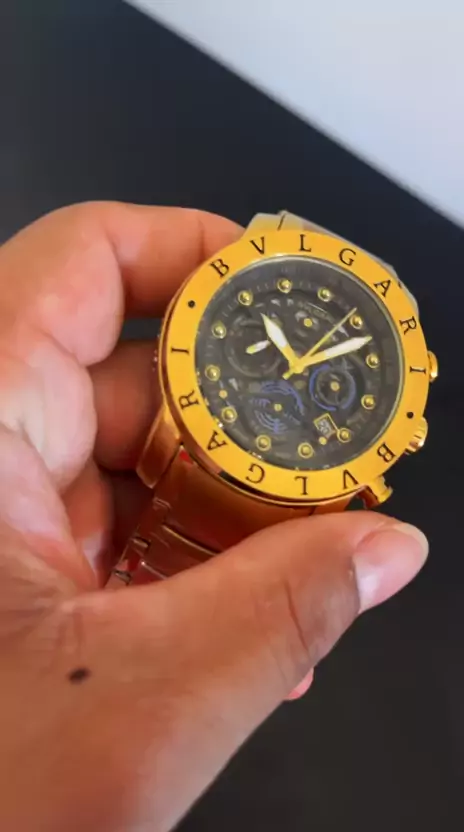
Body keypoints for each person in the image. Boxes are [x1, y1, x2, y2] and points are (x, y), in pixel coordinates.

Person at [0, 202, 428, 832]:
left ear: (400, 423)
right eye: (277, 350)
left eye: (320, 376)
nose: (295, 370)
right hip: (193, 447)